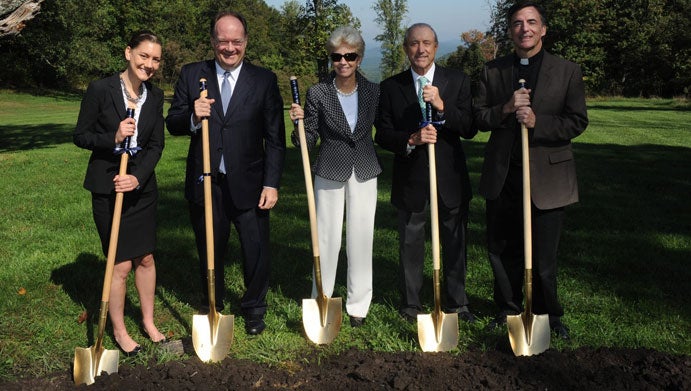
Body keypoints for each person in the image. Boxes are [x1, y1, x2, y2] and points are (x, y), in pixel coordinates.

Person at [473, 1, 588, 340]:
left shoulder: (567, 70)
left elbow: (577, 121)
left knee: (544, 255)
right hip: (503, 175)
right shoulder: (492, 71)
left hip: (548, 177)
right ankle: (508, 309)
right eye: (517, 23)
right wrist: (506, 108)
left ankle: (548, 314)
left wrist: (539, 122)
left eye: (532, 22)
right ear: (510, 31)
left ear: (543, 29)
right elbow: (479, 117)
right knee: (502, 248)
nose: (525, 28)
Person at [165, 11, 286, 336]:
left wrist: (271, 183)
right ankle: (212, 303)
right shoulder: (193, 75)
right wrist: (192, 114)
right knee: (210, 247)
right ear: (213, 42)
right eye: (223, 41)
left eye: (236, 41)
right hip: (207, 182)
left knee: (255, 249)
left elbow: (275, 139)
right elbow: (172, 121)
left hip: (251, 182)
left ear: (245, 42)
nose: (229, 48)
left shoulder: (264, 80)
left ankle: (254, 310)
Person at [375, 23, 477, 323]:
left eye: (427, 43)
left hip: (450, 177)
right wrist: (410, 139)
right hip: (411, 179)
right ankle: (411, 304)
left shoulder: (456, 80)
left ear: (435, 47)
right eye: (414, 43)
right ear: (406, 48)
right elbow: (382, 133)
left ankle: (458, 303)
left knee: (455, 242)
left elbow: (470, 127)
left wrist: (442, 106)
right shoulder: (391, 87)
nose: (421, 49)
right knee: (410, 243)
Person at [74, 30, 166, 355]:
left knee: (146, 258)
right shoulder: (100, 90)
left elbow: (156, 146)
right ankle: (118, 329)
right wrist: (112, 137)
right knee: (121, 264)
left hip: (140, 189)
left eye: (155, 59)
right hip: (107, 187)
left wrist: (138, 179)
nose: (149, 64)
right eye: (144, 56)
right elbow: (81, 135)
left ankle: (149, 321)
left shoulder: (155, 97)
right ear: (129, 53)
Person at [289, 27, 381, 327]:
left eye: (350, 56)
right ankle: (323, 298)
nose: (343, 61)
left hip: (365, 169)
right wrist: (300, 127)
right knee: (326, 237)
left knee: (361, 237)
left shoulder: (373, 91)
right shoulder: (318, 92)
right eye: (337, 56)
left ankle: (358, 306)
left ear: (359, 57)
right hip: (329, 168)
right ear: (331, 58)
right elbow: (309, 138)